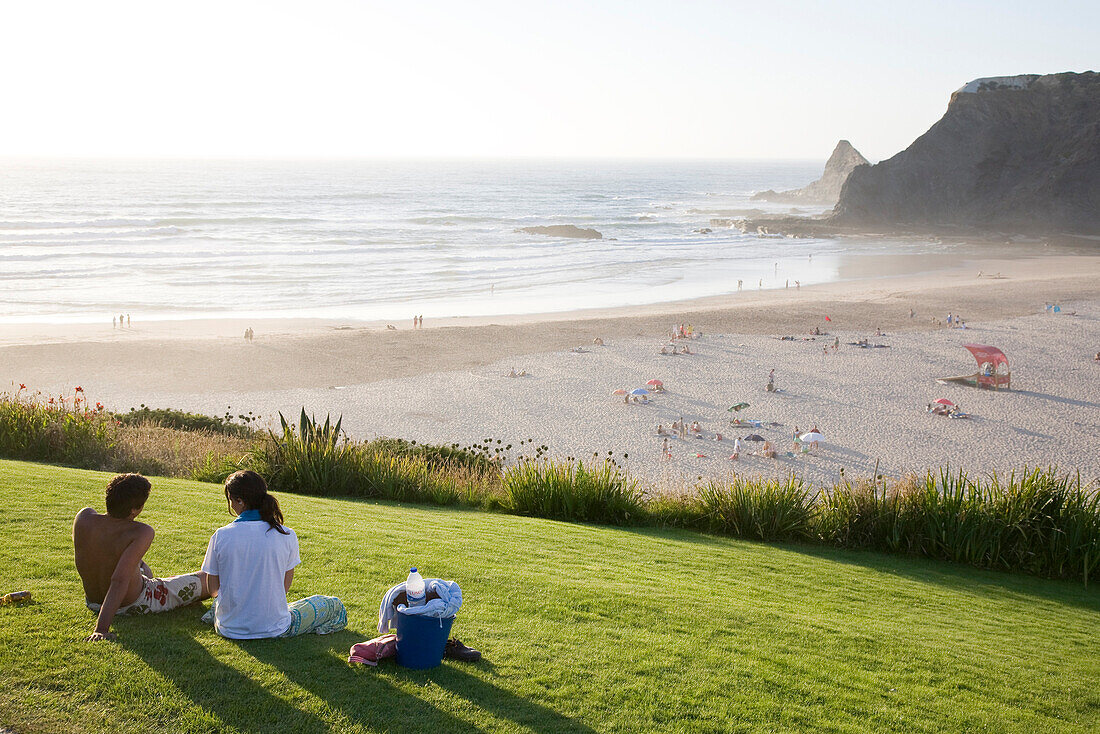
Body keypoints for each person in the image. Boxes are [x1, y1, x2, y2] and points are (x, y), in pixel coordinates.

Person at [201, 471, 346, 639]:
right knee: (332, 604)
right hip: (273, 626)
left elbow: (213, 590)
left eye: (231, 500)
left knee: (222, 603)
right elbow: (284, 588)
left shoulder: (221, 535)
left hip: (229, 627)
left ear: (239, 500)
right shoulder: (287, 534)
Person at [74, 474, 210, 642]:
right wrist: (101, 629)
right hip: (132, 604)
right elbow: (119, 580)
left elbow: (97, 553)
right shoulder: (141, 531)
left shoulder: (84, 518)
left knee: (141, 565)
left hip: (94, 602)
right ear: (134, 509)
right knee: (209, 579)